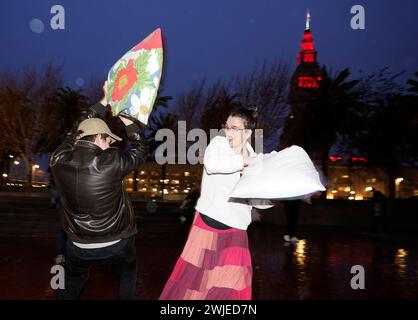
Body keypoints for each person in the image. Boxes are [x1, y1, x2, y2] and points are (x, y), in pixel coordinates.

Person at [159, 106, 272, 300]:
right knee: (194, 285)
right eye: (226, 126)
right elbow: (212, 165)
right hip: (207, 226)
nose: (228, 132)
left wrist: (275, 196)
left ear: (247, 133)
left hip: (235, 231)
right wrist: (243, 163)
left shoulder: (255, 161)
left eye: (234, 128)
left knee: (231, 288)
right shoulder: (218, 144)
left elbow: (258, 202)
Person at [50, 83, 149, 300]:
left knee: (71, 285)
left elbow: (75, 130)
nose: (110, 144)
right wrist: (128, 123)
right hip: (117, 242)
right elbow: (141, 149)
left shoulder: (58, 159)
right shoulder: (111, 161)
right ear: (98, 138)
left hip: (78, 244)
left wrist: (103, 101)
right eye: (108, 139)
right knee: (128, 274)